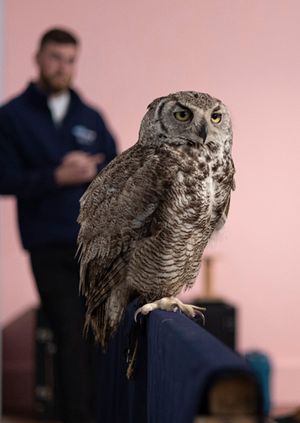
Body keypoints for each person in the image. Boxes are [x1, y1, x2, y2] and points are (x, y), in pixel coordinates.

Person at [0, 28, 117, 423]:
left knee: (100, 339)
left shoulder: (91, 116)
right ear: (37, 58)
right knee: (69, 336)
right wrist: (57, 176)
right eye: (54, 57)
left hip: (97, 248)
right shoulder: (12, 116)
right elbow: (4, 179)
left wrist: (94, 170)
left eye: (69, 60)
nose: (62, 67)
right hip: (48, 246)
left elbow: (118, 175)